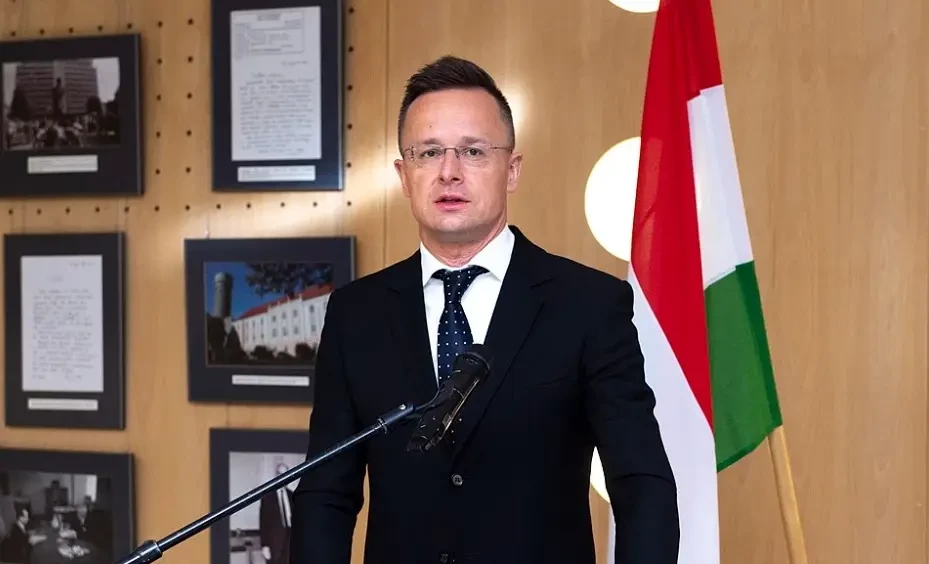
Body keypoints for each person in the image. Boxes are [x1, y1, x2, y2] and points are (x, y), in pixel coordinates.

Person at [290, 55, 679, 564]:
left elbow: (642, 485)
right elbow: (325, 495)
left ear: (511, 170)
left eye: (473, 152)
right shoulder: (355, 314)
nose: (449, 172)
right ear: (404, 175)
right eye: (429, 152)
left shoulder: (588, 305)